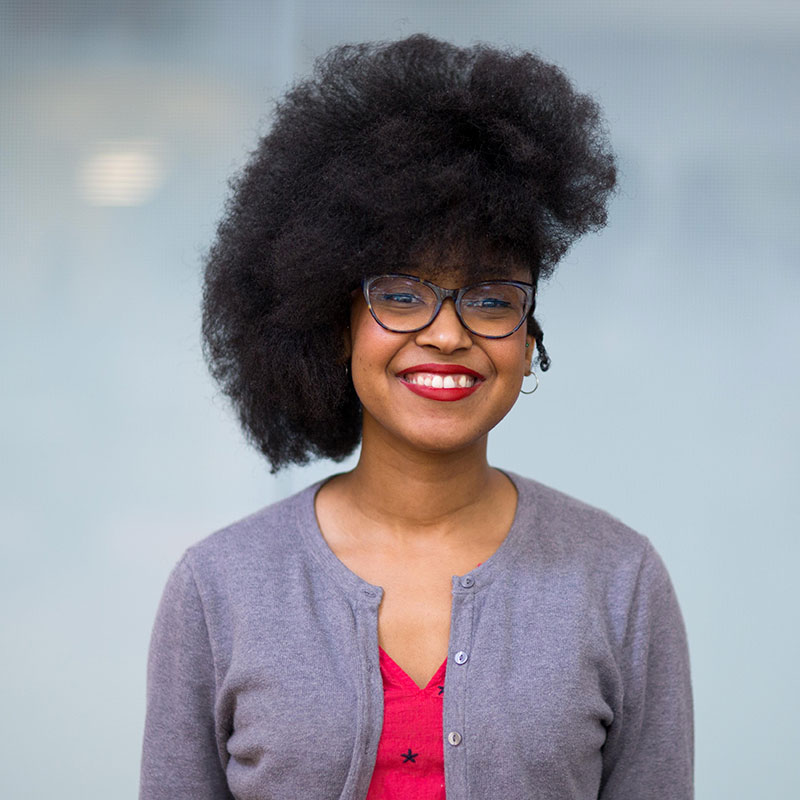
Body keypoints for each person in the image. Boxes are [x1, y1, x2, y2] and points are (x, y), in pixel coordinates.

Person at [139, 34, 693, 800]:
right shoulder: (218, 588)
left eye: (490, 298)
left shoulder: (620, 581)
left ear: (529, 343)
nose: (447, 333)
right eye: (401, 295)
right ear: (336, 325)